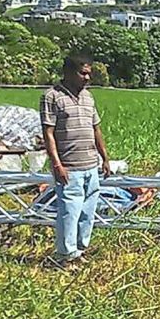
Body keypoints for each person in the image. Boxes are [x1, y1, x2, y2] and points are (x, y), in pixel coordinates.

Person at [40, 54, 112, 266]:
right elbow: (48, 133)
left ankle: (80, 250)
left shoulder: (88, 97)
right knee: (69, 212)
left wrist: (104, 158)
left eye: (89, 73)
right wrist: (57, 164)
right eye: (83, 73)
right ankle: (65, 255)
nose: (87, 78)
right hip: (69, 167)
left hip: (90, 164)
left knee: (87, 212)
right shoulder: (51, 97)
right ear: (68, 73)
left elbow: (95, 129)